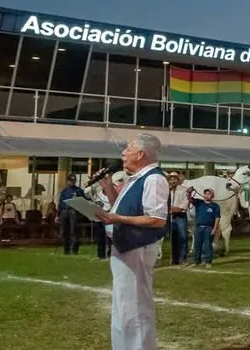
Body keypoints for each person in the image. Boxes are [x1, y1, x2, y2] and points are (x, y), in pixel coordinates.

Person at [94, 132, 170, 350]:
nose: (123, 153)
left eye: (128, 149)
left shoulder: (154, 178)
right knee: (123, 306)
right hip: (124, 246)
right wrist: (108, 187)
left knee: (135, 308)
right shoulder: (136, 178)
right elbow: (121, 208)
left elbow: (156, 219)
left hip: (136, 248)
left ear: (141, 154)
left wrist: (116, 218)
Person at [188, 188, 221, 268]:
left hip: (208, 228)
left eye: (209, 194)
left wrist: (214, 229)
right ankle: (196, 261)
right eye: (205, 193)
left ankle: (208, 262)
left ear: (212, 196)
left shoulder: (215, 206)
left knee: (207, 246)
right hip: (198, 227)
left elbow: (217, 218)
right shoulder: (199, 203)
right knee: (197, 245)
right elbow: (189, 199)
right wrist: (189, 192)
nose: (207, 195)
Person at [58, 174, 85, 255]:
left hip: (74, 212)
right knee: (64, 232)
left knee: (73, 232)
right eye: (71, 180)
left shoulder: (79, 190)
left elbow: (83, 202)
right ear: (68, 181)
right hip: (64, 211)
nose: (72, 182)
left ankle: (74, 250)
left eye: (74, 180)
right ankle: (66, 250)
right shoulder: (64, 191)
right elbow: (60, 203)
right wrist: (58, 214)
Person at [166, 173, 190, 266]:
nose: (173, 181)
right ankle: (174, 258)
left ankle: (183, 258)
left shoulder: (184, 190)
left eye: (174, 179)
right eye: (171, 179)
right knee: (173, 238)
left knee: (183, 237)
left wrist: (176, 209)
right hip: (171, 217)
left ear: (178, 180)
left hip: (180, 216)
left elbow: (185, 202)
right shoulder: (167, 190)